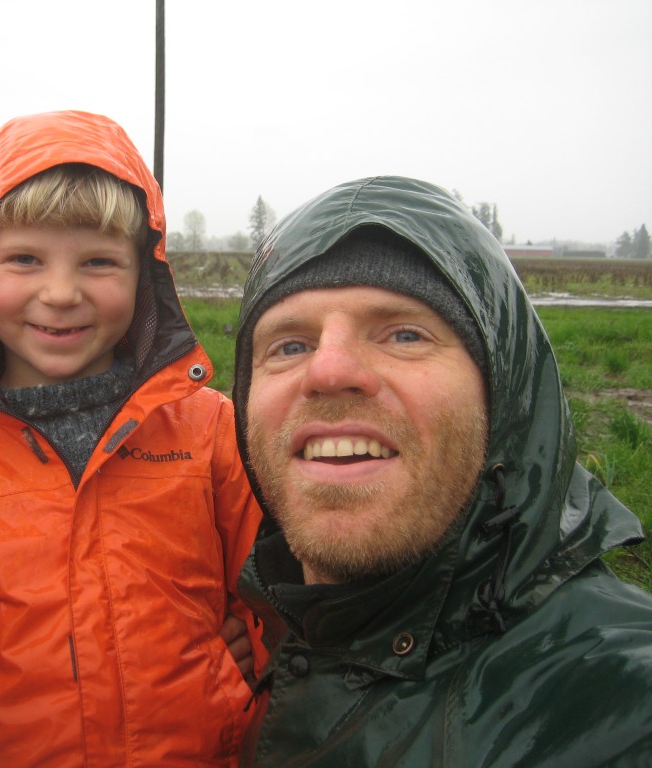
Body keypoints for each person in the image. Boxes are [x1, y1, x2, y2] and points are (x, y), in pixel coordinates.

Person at [232, 175, 652, 766]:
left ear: (504, 398)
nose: (327, 370)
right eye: (289, 345)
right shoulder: (265, 646)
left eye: (405, 334)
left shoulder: (612, 700)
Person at [0, 109, 264, 766]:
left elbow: (266, 601)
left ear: (144, 279)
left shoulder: (211, 432)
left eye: (97, 261)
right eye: (25, 259)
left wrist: (239, 685)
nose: (60, 293)